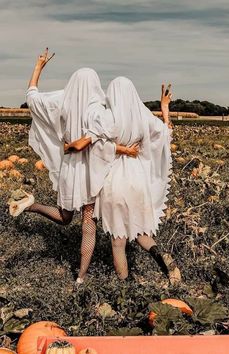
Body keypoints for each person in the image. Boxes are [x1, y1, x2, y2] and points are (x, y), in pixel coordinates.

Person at [9, 48, 138, 285]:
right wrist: (127, 150)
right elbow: (107, 140)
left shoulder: (61, 103)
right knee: (88, 225)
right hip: (90, 173)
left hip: (70, 171)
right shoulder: (98, 111)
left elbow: (32, 97)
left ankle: (31, 205)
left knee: (65, 216)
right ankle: (80, 277)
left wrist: (39, 66)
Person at [67, 77, 181, 285]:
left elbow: (94, 144)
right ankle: (160, 254)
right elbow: (164, 134)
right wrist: (164, 108)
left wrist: (67, 146)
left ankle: (125, 287)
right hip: (137, 179)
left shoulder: (107, 118)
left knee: (117, 241)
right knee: (139, 229)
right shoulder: (143, 117)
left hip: (114, 180)